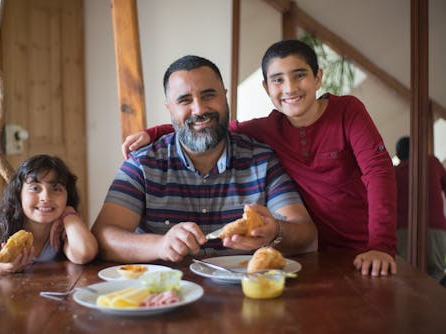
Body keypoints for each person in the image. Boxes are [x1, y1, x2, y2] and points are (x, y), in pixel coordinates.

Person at [123, 40, 398, 276]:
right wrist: (155, 132)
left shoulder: (347, 111)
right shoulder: (268, 128)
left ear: (318, 78)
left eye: (299, 75)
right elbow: (209, 124)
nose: (289, 88)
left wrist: (381, 245)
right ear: (267, 88)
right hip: (315, 255)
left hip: (365, 246)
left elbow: (379, 173)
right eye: (278, 80)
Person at [92, 55, 317, 264]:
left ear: (224, 96)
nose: (199, 109)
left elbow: (305, 232)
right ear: (169, 108)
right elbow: (103, 236)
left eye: (209, 95)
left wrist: (275, 231)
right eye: (184, 100)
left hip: (244, 295)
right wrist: (159, 245)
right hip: (166, 295)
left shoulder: (262, 160)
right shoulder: (143, 163)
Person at [0, 154, 98, 325]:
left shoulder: (63, 233)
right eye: (35, 188)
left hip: (24, 312)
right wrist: (1, 271)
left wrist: (69, 214)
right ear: (19, 194)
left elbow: (86, 253)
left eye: (56, 188)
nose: (46, 197)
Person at [394, 136, 446, 280]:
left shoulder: (395, 172)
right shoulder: (432, 162)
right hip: (435, 228)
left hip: (403, 230)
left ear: (398, 155)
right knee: (437, 274)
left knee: (407, 276)